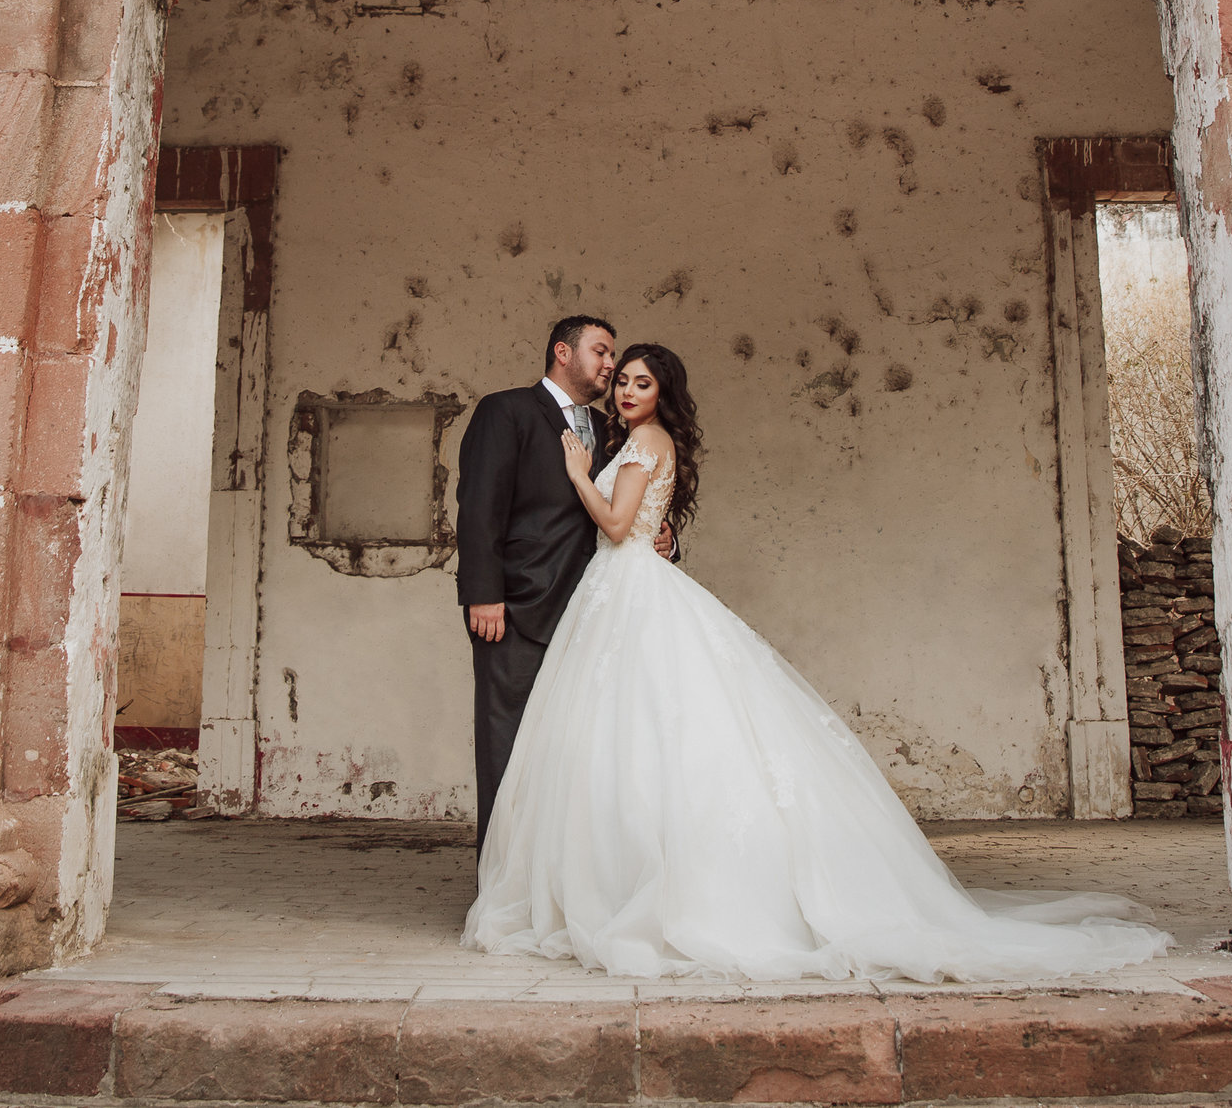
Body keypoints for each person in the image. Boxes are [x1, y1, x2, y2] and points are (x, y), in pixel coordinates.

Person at [464, 342, 1170, 983]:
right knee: (634, 743)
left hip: (629, 593)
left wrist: (578, 474)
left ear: (661, 393)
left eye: (639, 382)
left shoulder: (641, 441)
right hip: (622, 593)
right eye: (619, 379)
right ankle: (618, 877)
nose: (624, 390)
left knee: (648, 738)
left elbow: (617, 526)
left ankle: (653, 888)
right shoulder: (644, 438)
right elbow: (643, 525)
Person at [455, 316, 673, 850]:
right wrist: (484, 593)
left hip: (594, 608)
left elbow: (621, 507)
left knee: (576, 751)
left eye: (614, 355)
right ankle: (500, 880)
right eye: (602, 352)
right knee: (508, 743)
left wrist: (662, 535)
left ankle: (555, 881)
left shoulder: (609, 428)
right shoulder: (505, 412)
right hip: (519, 608)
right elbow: (480, 507)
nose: (611, 365)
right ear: (563, 352)